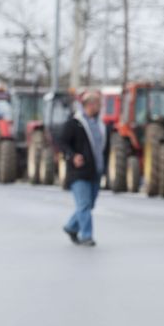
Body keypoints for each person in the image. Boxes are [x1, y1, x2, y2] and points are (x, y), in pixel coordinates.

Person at [62, 91, 107, 247]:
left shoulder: (99, 124)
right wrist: (72, 156)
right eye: (98, 104)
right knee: (84, 204)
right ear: (90, 104)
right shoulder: (75, 123)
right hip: (79, 171)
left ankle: (71, 226)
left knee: (89, 204)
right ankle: (87, 236)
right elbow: (63, 142)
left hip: (95, 170)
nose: (100, 107)